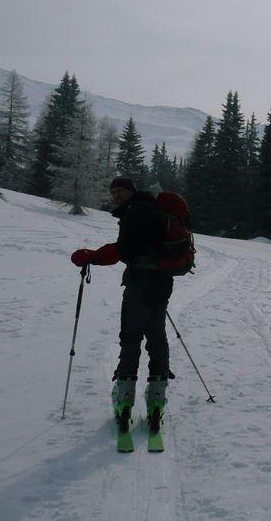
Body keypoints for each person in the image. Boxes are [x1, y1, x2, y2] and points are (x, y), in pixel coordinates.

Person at [70, 176, 174, 432]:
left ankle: (125, 401)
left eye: (120, 191)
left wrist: (93, 256)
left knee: (131, 338)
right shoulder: (151, 210)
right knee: (157, 338)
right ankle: (157, 401)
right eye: (113, 191)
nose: (116, 195)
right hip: (160, 284)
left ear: (131, 192)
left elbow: (125, 250)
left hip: (140, 285)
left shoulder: (136, 212)